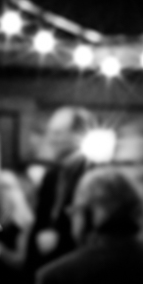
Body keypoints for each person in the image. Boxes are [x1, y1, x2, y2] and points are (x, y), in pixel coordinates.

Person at [27, 104, 96, 271]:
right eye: (50, 132)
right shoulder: (51, 175)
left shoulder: (94, 173)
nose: (51, 139)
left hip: (80, 265)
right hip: (49, 265)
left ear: (78, 135)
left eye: (58, 133)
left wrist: (61, 239)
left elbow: (94, 224)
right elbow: (40, 221)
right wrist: (27, 281)